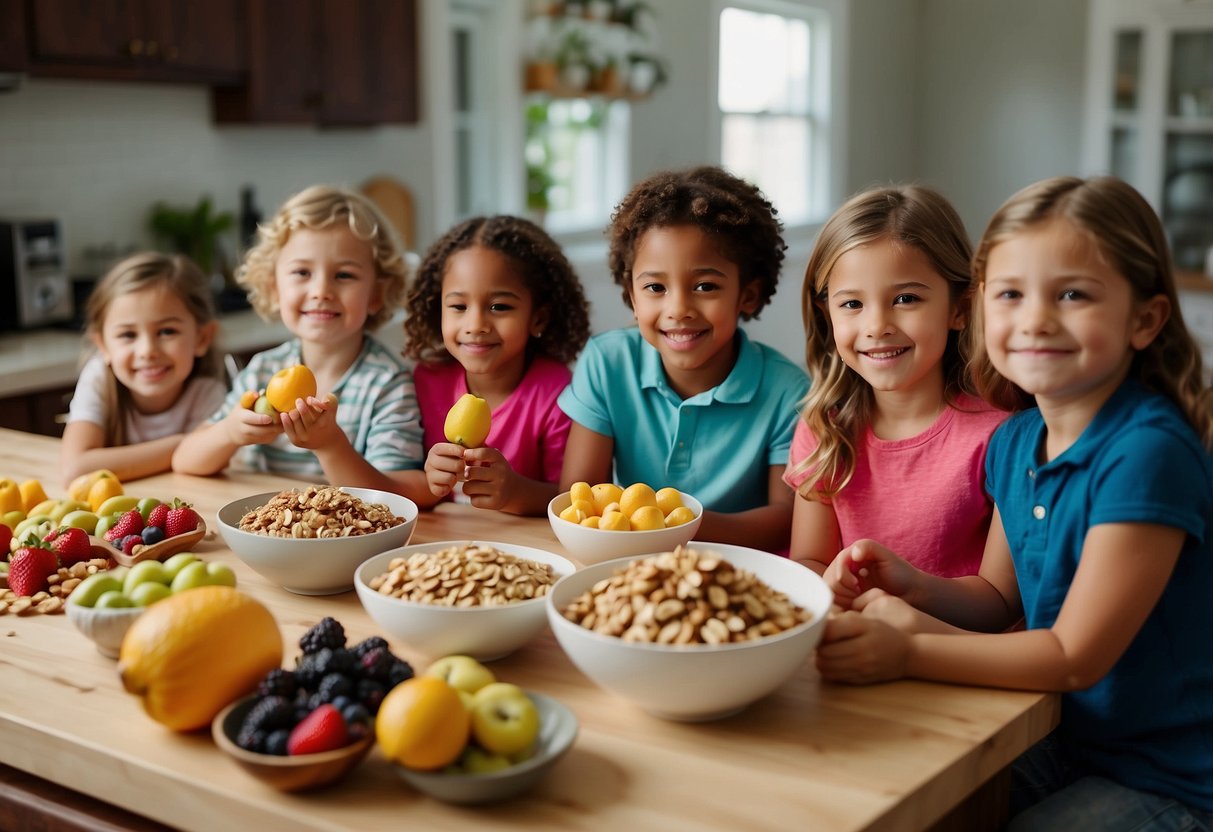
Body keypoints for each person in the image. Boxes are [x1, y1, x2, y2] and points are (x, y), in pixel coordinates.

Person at [816, 176, 1213, 831]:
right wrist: (914, 586)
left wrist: (911, 648)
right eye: (1010, 294)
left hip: (1171, 776)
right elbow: (999, 602)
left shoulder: (1145, 454)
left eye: (1073, 295)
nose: (1033, 320)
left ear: (1143, 319)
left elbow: (1072, 657)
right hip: (1061, 734)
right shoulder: (1016, 439)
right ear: (980, 307)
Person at [558, 165, 810, 551]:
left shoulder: (788, 392)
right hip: (627, 559)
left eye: (705, 286)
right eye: (656, 287)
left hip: (734, 569)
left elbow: (784, 520)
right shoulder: (607, 364)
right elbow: (580, 501)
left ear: (748, 295)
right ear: (631, 295)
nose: (679, 308)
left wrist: (675, 525)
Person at [786, 185, 1007, 583]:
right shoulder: (824, 428)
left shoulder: (1000, 433)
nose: (877, 327)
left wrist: (906, 603)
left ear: (959, 308)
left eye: (905, 299)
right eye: (852, 304)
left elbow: (999, 601)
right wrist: (828, 584)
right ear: (827, 315)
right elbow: (809, 563)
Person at [173, 185, 429, 500]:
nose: (321, 290)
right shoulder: (263, 371)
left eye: (344, 275)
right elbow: (185, 460)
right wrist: (229, 432)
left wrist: (331, 446)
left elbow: (409, 491)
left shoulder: (387, 384)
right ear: (275, 286)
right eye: (302, 272)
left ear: (376, 294)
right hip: (268, 533)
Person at [404, 215, 591, 516]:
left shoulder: (560, 394)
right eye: (458, 307)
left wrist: (515, 491)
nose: (476, 325)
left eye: (499, 307)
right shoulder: (426, 380)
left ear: (538, 318)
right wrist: (429, 479)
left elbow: (571, 499)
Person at [60, 252, 225, 485]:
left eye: (167, 331)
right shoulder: (98, 379)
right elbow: (76, 470)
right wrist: (185, 444)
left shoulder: (207, 393)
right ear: (103, 346)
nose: (147, 351)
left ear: (202, 338)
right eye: (128, 335)